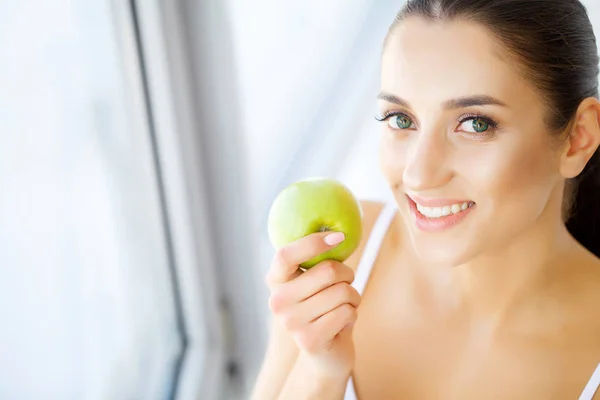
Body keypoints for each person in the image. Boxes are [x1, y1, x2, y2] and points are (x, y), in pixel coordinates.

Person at [252, 0, 600, 398]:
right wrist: (320, 371)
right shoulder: (339, 261)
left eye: (475, 124)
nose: (418, 174)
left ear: (578, 138)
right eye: (401, 119)